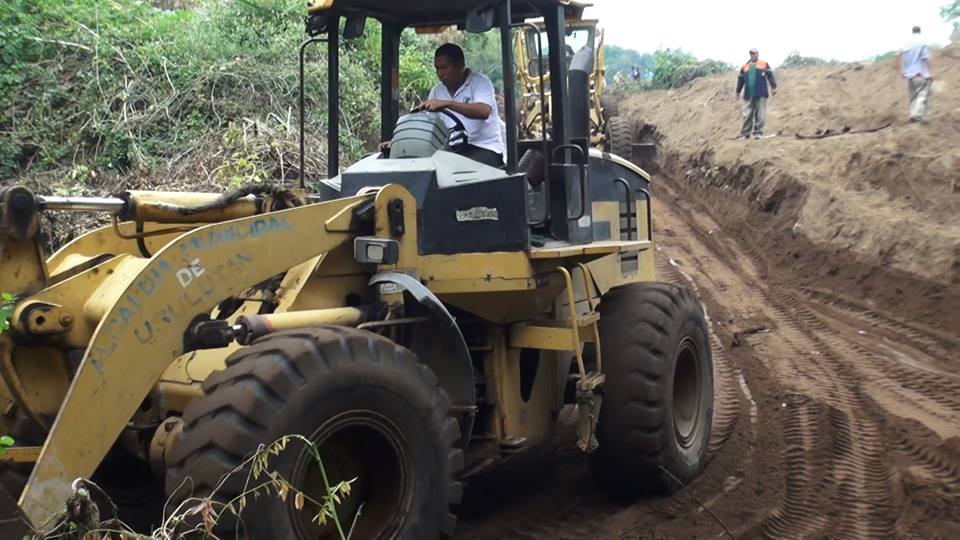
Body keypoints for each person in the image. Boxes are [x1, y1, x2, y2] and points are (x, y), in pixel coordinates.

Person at [420, 43, 505, 167]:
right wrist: (399, 141)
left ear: (460, 65)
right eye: (437, 68)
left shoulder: (480, 83)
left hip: (485, 148)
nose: (440, 73)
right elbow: (429, 127)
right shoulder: (437, 91)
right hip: (452, 149)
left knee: (458, 168)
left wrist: (448, 103)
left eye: (445, 67)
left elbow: (483, 112)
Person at [735, 48, 777, 139]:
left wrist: (773, 87)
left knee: (760, 114)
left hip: (761, 93)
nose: (752, 55)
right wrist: (738, 92)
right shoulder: (745, 66)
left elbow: (770, 76)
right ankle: (745, 133)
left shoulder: (764, 64)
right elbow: (740, 80)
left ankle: (758, 133)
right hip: (748, 94)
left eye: (754, 53)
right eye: (751, 54)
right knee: (747, 114)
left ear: (757, 54)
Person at [896, 26, 934, 123]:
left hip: (909, 74)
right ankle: (916, 115)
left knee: (913, 97)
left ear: (912, 32)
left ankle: (916, 116)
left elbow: (898, 54)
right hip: (920, 73)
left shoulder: (906, 42)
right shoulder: (922, 42)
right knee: (923, 95)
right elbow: (926, 57)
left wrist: (901, 70)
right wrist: (931, 72)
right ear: (920, 32)